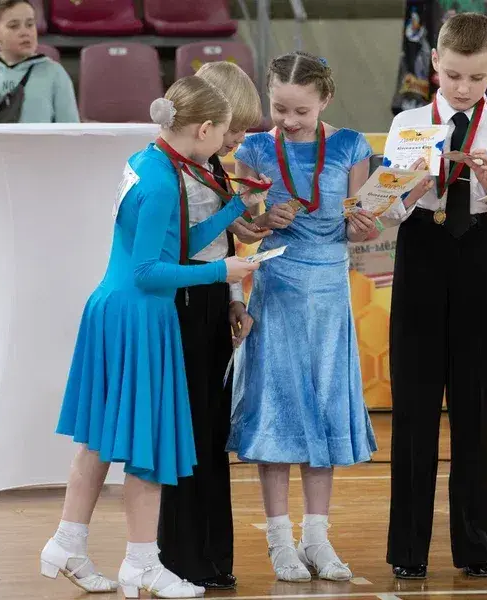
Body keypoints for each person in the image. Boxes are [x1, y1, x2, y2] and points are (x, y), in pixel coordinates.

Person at [39, 76, 265, 598]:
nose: (227, 145)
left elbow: (174, 240)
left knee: (98, 440)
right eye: (226, 133)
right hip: (141, 313)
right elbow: (149, 270)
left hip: (113, 309)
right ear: (205, 128)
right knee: (149, 443)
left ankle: (67, 541)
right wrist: (223, 273)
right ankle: (141, 562)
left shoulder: (149, 160)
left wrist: (232, 211)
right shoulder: (164, 179)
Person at [380, 12, 487, 580]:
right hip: (419, 260)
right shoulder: (408, 122)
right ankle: (408, 551)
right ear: (434, 65)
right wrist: (415, 181)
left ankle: (474, 546)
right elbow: (385, 211)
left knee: (474, 411)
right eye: (452, 76)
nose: (463, 88)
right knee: (414, 412)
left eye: (475, 77)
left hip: (476, 263)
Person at [225, 51, 378, 583]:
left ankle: (317, 537)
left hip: (330, 292)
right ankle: (278, 539)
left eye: (301, 112)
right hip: (278, 290)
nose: (288, 121)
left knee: (324, 411)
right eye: (278, 108)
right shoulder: (253, 148)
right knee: (277, 414)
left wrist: (362, 228)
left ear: (325, 101)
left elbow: (364, 219)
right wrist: (263, 219)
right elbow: (240, 231)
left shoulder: (352, 145)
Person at [157, 61, 269, 591]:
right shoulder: (173, 170)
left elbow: (223, 244)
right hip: (180, 303)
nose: (239, 139)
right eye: (235, 129)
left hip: (213, 298)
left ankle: (214, 553)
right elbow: (188, 245)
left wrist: (232, 300)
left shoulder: (213, 167)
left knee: (211, 432)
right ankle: (181, 554)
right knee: (188, 432)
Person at [0, 0, 78, 123]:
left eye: (30, 24)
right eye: (14, 26)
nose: (25, 32)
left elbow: (70, 131)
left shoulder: (55, 73)